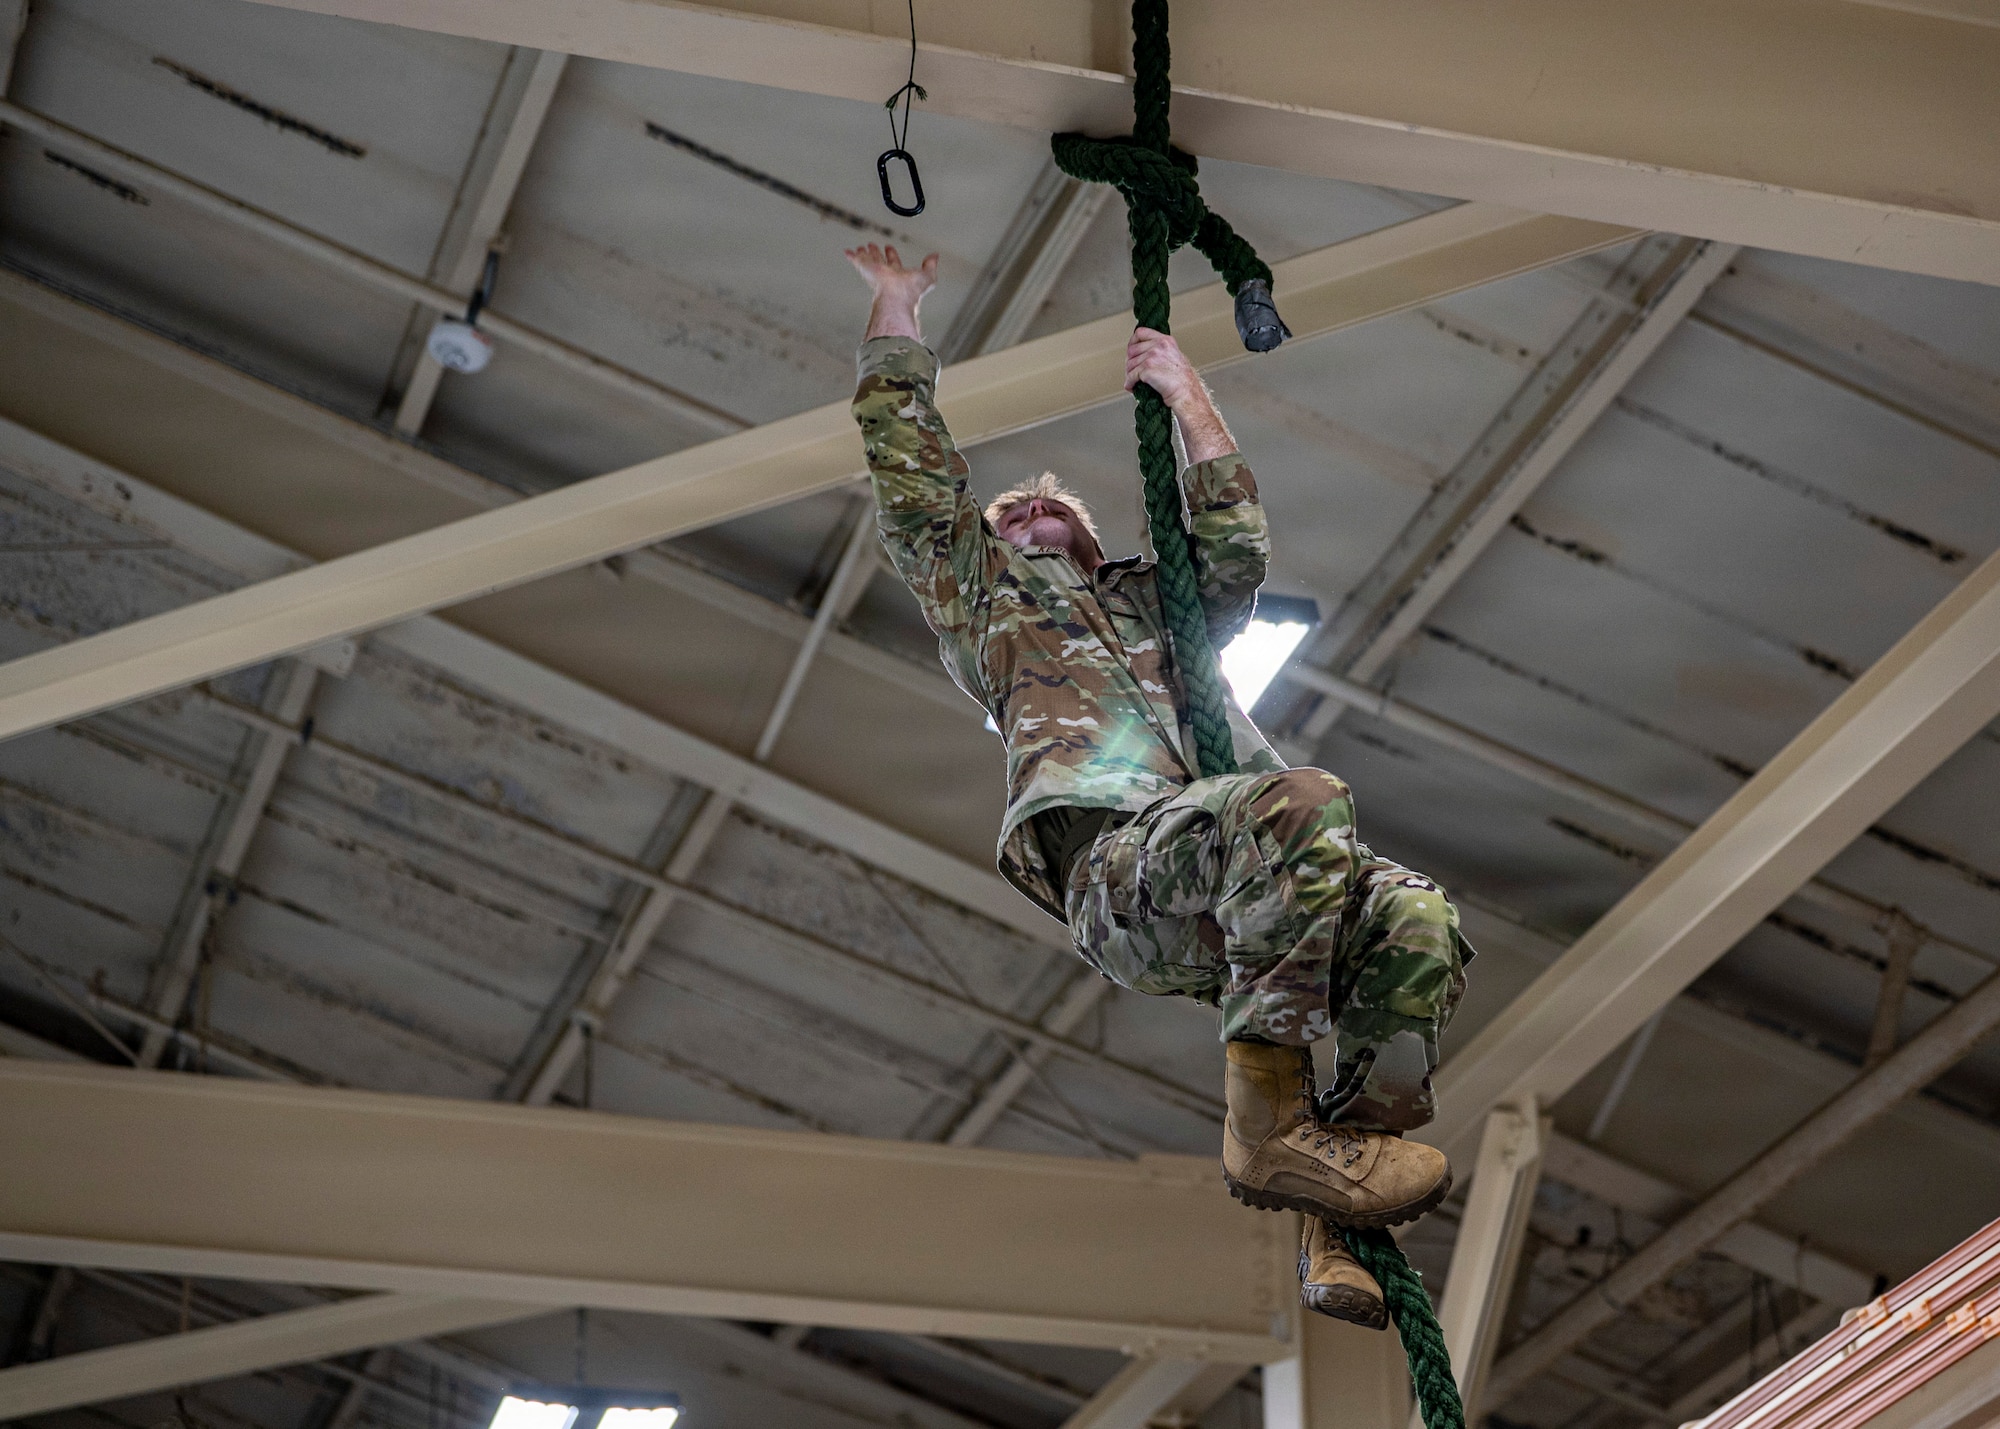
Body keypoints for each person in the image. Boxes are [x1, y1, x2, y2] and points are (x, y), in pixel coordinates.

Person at [846, 243, 1471, 1329]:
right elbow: (911, 470)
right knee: (1300, 800)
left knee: (1415, 916)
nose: (1033, 520)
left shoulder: (1156, 609)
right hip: (1120, 875)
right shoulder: (984, 606)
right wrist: (895, 307)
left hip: (1237, 893)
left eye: (1055, 519)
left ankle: (1339, 1207)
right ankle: (1270, 1125)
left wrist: (1189, 396)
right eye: (1011, 520)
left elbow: (1230, 545)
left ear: (1093, 544)